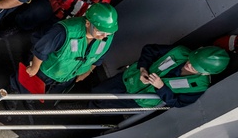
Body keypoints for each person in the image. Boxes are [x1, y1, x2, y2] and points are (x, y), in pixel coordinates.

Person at [91, 44, 231, 110]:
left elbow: (178, 103)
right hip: (130, 78)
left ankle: (87, 109)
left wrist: (161, 88)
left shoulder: (199, 86)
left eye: (194, 67)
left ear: (206, 73)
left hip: (141, 100)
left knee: (105, 107)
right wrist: (143, 69)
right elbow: (149, 50)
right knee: (98, 92)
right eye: (191, 60)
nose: (188, 65)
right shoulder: (180, 51)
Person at [20, 4, 118, 94]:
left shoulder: (107, 36)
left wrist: (87, 72)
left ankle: (32, 100)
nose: (104, 36)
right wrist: (34, 68)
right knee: (26, 87)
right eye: (100, 31)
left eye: (108, 33)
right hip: (47, 71)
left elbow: (99, 57)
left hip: (69, 76)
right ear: (88, 23)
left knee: (46, 93)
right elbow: (41, 50)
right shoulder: (65, 31)